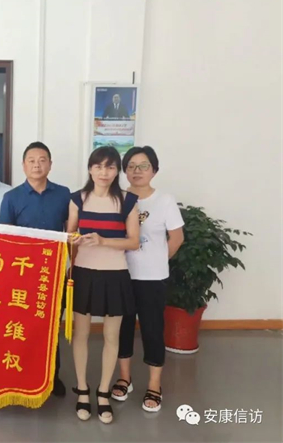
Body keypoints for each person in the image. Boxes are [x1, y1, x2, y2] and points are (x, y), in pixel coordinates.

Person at [66, 146, 139, 424]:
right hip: (83, 273)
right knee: (81, 334)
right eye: (98, 166)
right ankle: (82, 389)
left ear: (117, 171)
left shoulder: (128, 201)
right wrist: (71, 240)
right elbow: (70, 236)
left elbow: (134, 241)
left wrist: (103, 240)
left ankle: (104, 392)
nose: (104, 172)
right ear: (90, 169)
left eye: (110, 167)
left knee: (111, 336)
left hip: (115, 274)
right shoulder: (78, 199)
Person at [110, 146, 184, 413]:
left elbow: (176, 238)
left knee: (152, 329)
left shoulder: (164, 200)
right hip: (121, 275)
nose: (137, 171)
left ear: (154, 170)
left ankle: (154, 384)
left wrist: (157, 261)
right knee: (122, 329)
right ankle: (124, 378)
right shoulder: (117, 198)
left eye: (143, 166)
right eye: (131, 166)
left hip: (152, 278)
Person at [0, 141, 70, 397]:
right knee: (22, 326)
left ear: (50, 164)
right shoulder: (11, 197)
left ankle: (52, 376)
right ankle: (21, 374)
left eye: (42, 160)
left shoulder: (64, 195)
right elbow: (4, 237)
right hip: (22, 275)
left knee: (51, 326)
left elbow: (70, 231)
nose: (37, 165)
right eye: (31, 160)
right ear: (23, 165)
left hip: (54, 273)